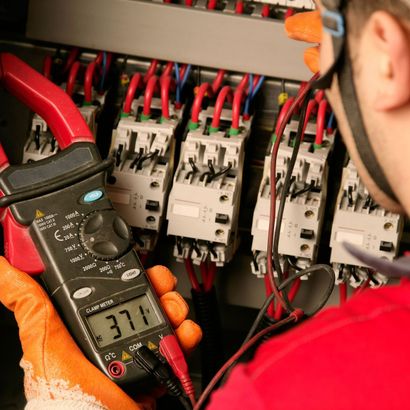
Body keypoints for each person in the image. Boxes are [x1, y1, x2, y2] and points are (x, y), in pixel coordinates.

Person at [2, 0, 410, 408]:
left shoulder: (274, 391)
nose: (321, 68)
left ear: (385, 52)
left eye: (331, 34)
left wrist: (70, 403)